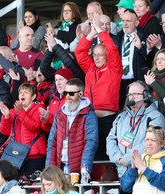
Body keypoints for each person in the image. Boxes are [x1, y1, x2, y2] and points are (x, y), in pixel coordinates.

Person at [107, 81, 165, 194]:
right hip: (124, 176)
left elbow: (149, 142)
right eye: (129, 94)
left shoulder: (155, 117)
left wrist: (127, 159)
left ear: (145, 95)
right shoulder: (121, 118)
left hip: (146, 178)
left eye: (135, 94)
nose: (131, 97)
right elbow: (110, 139)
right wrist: (118, 158)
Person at [75, 12, 122, 161]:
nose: (96, 57)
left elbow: (112, 50)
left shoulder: (114, 68)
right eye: (94, 54)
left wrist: (100, 30)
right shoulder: (90, 68)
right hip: (90, 119)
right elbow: (80, 52)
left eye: (100, 55)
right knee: (92, 157)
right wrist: (92, 33)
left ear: (106, 56)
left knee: (108, 157)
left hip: (109, 119)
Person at [46, 78, 98, 175]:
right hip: (59, 167)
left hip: (77, 170)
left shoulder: (88, 114)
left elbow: (91, 143)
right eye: (66, 93)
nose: (68, 96)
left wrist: (84, 170)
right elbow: (52, 142)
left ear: (81, 94)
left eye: (71, 93)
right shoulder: (60, 114)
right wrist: (50, 169)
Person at [0, 83, 47, 176]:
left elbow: (34, 126)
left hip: (34, 154)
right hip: (17, 155)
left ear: (33, 97)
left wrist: (20, 112)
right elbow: (4, 131)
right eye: (20, 92)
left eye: (26, 92)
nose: (22, 94)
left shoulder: (39, 108)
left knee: (33, 184)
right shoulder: (13, 111)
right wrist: (6, 116)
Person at [117, 9, 148, 110]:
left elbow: (149, 60)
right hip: (119, 83)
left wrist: (140, 48)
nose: (125, 24)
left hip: (137, 82)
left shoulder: (144, 37)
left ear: (137, 22)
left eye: (128, 21)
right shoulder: (117, 37)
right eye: (123, 20)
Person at [145, 49, 165, 114]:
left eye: (162, 59)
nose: (159, 62)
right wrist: (147, 84)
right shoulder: (152, 76)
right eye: (157, 59)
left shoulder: (152, 80)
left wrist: (153, 83)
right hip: (152, 114)